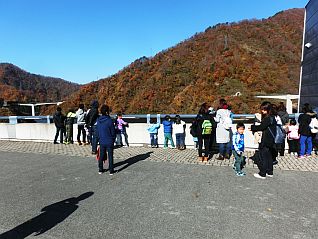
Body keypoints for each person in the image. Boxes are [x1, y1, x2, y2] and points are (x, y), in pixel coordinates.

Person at [251, 101, 278, 179]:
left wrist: (252, 127)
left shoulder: (267, 118)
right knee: (269, 156)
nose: (262, 111)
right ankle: (270, 172)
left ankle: (262, 173)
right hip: (271, 140)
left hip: (266, 140)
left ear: (268, 109)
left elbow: (261, 127)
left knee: (263, 156)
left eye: (264, 109)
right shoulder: (273, 117)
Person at [96, 105, 116, 175]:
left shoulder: (98, 120)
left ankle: (100, 169)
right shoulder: (109, 120)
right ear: (107, 111)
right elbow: (113, 132)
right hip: (109, 140)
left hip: (102, 140)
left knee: (101, 155)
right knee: (110, 155)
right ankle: (111, 170)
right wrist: (113, 139)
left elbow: (97, 131)